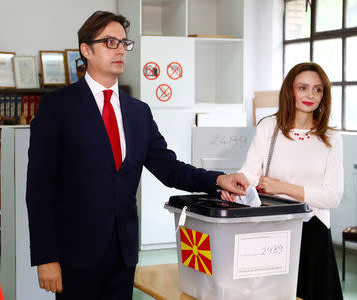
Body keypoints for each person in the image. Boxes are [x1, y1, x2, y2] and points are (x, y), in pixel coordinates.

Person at [26, 10, 248, 300]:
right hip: (74, 256)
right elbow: (39, 188)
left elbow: (170, 169)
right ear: (86, 50)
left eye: (124, 43)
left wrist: (219, 179)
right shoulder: (57, 107)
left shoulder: (138, 112)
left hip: (123, 254)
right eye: (109, 42)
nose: (120, 49)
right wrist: (46, 257)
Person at [222, 62, 343, 300]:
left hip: (314, 231)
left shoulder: (331, 137)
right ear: (290, 90)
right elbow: (250, 173)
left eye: (318, 90)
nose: (311, 95)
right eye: (303, 88)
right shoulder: (269, 126)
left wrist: (281, 188)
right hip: (274, 230)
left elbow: (332, 197)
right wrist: (235, 185)